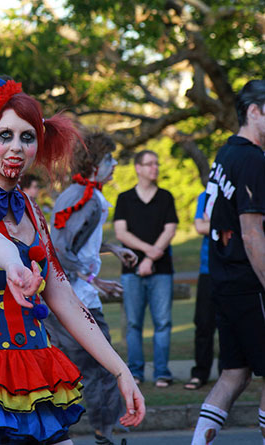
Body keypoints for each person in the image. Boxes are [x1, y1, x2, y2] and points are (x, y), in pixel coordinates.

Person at [0, 55, 145, 444]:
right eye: (5, 135)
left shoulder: (33, 210)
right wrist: (13, 264)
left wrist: (121, 370)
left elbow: (64, 297)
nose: (16, 147)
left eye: (27, 136)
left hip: (36, 372)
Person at [46, 131, 138, 445]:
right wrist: (93, 280)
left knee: (93, 370)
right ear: (93, 163)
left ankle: (101, 433)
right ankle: (102, 436)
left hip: (78, 296)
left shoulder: (86, 194)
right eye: (109, 158)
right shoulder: (84, 197)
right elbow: (58, 250)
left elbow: (79, 243)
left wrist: (110, 247)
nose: (114, 164)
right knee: (99, 370)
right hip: (72, 299)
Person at [190, 79, 265, 445]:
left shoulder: (225, 154)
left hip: (223, 280)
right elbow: (252, 234)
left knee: (235, 374)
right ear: (254, 111)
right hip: (249, 283)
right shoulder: (252, 159)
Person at [113, 149, 178, 387]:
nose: (155, 168)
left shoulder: (166, 197)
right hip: (131, 272)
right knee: (133, 323)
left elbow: (170, 230)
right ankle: (136, 372)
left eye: (157, 163)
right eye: (150, 164)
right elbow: (121, 233)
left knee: (162, 322)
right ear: (138, 168)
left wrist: (150, 259)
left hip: (161, 272)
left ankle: (162, 372)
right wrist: (147, 254)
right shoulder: (124, 198)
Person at [184, 190, 218, 391]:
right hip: (208, 270)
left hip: (235, 269)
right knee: (204, 323)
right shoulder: (205, 196)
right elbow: (199, 226)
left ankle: (230, 372)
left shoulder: (241, 192)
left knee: (232, 325)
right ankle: (200, 374)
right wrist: (227, 223)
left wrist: (212, 223)